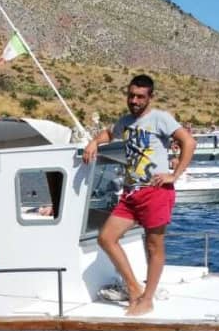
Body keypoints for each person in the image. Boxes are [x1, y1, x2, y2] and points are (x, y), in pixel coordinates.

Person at [82, 74, 196, 316]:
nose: (134, 100)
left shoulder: (159, 119)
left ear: (149, 97)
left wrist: (174, 175)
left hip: (155, 191)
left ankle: (147, 299)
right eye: (131, 95)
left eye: (140, 97)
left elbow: (189, 142)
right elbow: (109, 133)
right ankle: (134, 288)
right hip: (130, 193)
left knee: (154, 245)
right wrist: (94, 142)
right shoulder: (125, 121)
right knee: (106, 238)